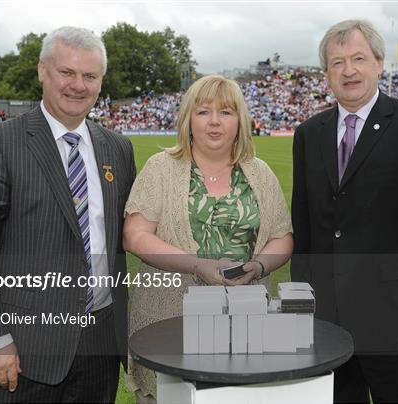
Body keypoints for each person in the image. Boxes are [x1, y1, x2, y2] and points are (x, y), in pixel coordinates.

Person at [0, 26, 135, 402]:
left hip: (99, 342)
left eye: (90, 76)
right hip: (22, 347)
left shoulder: (118, 148)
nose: (78, 85)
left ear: (101, 82)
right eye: (67, 72)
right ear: (42, 71)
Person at [291, 19, 398, 403]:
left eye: (359, 58)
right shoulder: (309, 134)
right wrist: (299, 314)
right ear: (325, 74)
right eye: (337, 62)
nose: (349, 70)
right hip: (326, 324)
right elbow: (306, 233)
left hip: (394, 326)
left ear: (379, 63)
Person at [123, 74, 293, 402]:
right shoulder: (161, 168)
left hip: (246, 326)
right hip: (169, 323)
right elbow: (135, 236)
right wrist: (197, 265)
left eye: (226, 112)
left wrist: (257, 267)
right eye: (203, 112)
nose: (214, 122)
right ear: (188, 119)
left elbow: (282, 237)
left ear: (240, 122)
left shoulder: (261, 173)